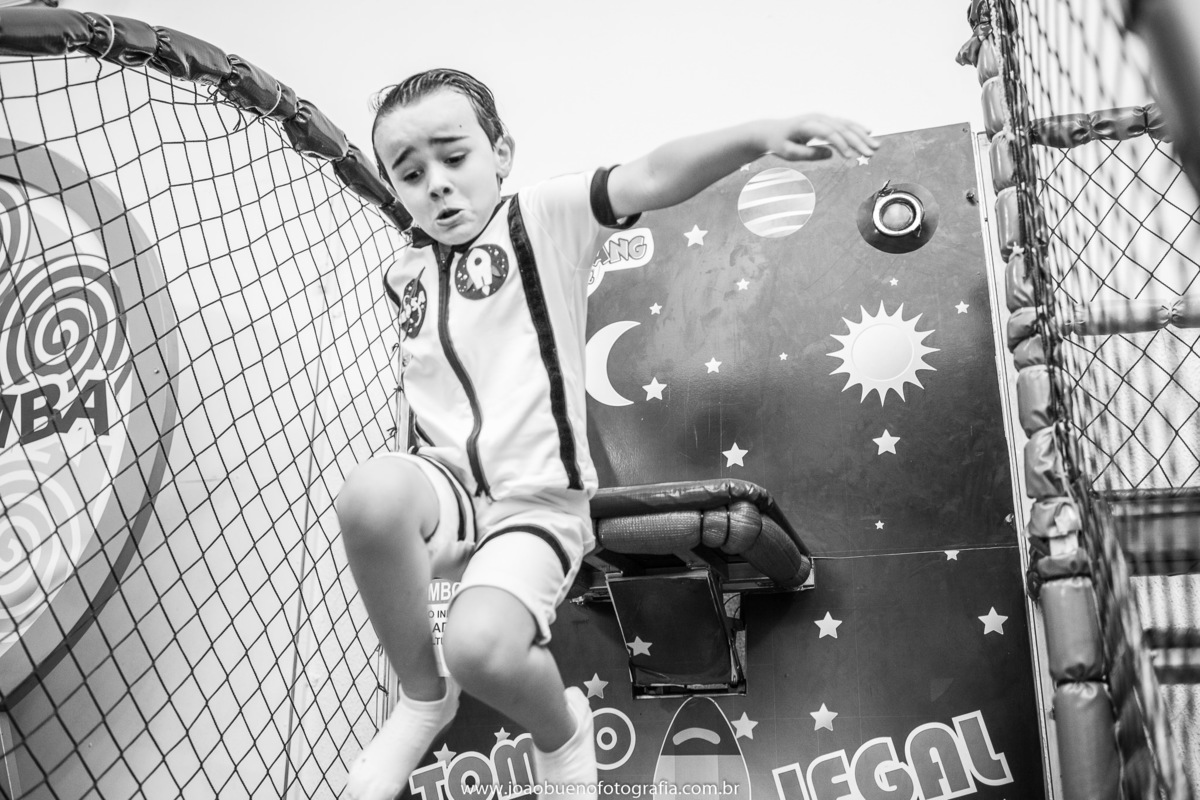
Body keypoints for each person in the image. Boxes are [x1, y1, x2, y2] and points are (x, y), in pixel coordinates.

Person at [337, 68, 878, 800]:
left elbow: (653, 173)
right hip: (447, 488)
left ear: (501, 153)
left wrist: (761, 134)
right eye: (410, 172)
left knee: (481, 649)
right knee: (368, 496)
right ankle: (421, 697)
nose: (435, 183)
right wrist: (417, 523)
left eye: (453, 156)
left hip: (536, 503)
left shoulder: (545, 216)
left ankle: (561, 736)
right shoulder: (406, 274)